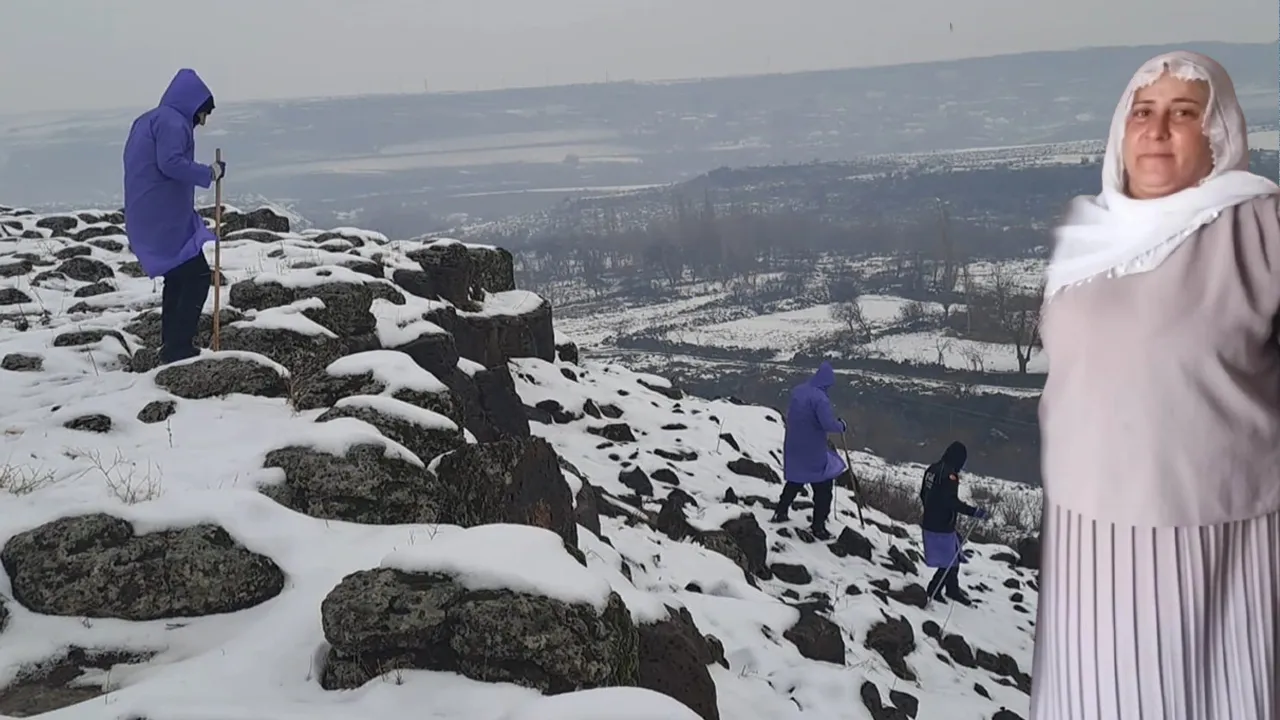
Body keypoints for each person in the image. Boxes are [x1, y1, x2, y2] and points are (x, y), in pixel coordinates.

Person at [1033, 50, 1280, 719]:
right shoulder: (1088, 235)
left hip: (1220, 537)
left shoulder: (1261, 229)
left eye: (1183, 113)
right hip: (1088, 539)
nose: (1157, 128)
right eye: (1143, 111)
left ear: (1218, 136)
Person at [123, 68, 226, 365]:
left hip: (150, 211)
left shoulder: (149, 120)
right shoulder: (171, 121)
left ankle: (172, 343)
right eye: (203, 114)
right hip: (162, 216)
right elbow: (170, 163)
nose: (202, 121)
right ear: (194, 105)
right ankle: (178, 347)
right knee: (196, 276)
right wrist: (208, 173)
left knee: (178, 276)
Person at [771, 361, 849, 540]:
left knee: (796, 478)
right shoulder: (820, 399)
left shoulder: (799, 390)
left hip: (793, 443)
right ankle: (818, 527)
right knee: (823, 486)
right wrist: (841, 426)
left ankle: (780, 511)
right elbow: (827, 424)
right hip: (813, 448)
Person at [919, 441, 987, 604]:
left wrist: (930, 509)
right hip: (941, 523)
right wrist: (973, 512)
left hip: (930, 519)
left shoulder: (932, 469)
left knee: (955, 551)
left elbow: (923, 493)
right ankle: (934, 589)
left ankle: (952, 589)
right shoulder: (950, 475)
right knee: (949, 560)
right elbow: (950, 502)